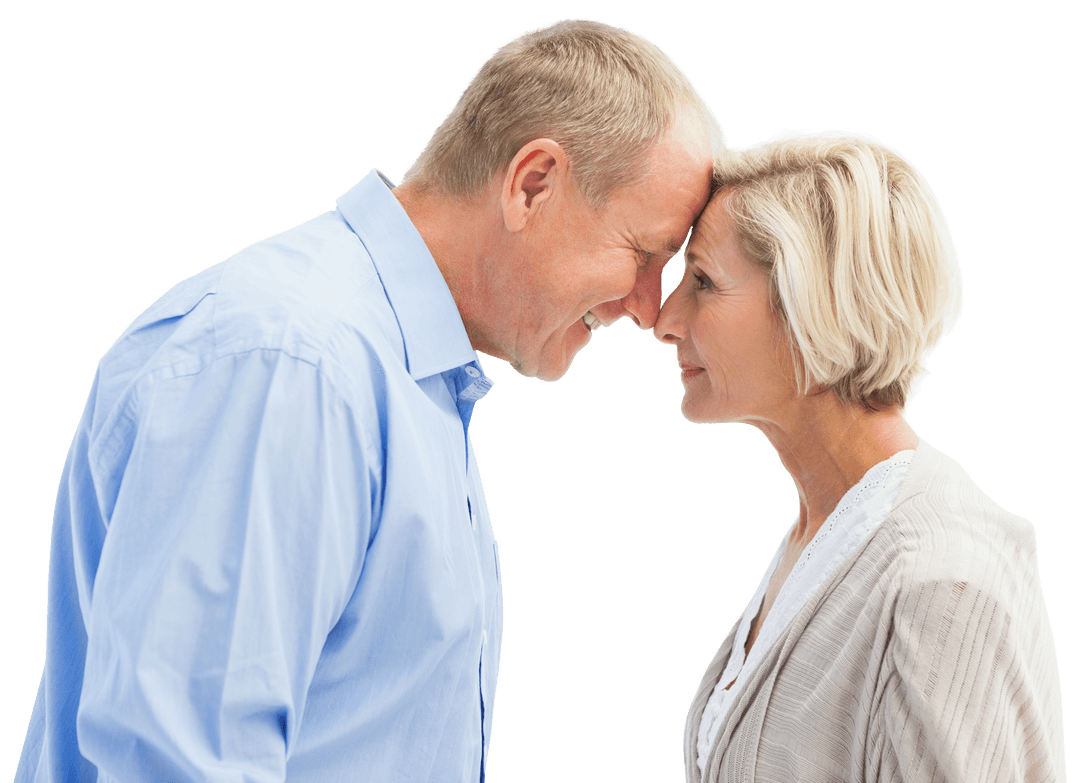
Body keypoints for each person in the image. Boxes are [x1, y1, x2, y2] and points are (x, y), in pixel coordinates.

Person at [14, 18, 721, 783]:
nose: (649, 309)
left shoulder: (391, 380)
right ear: (532, 183)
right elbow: (181, 763)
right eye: (646, 255)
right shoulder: (295, 366)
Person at [654, 130, 1066, 781]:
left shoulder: (939, 584)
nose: (664, 319)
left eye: (702, 281)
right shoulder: (822, 529)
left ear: (810, 305)